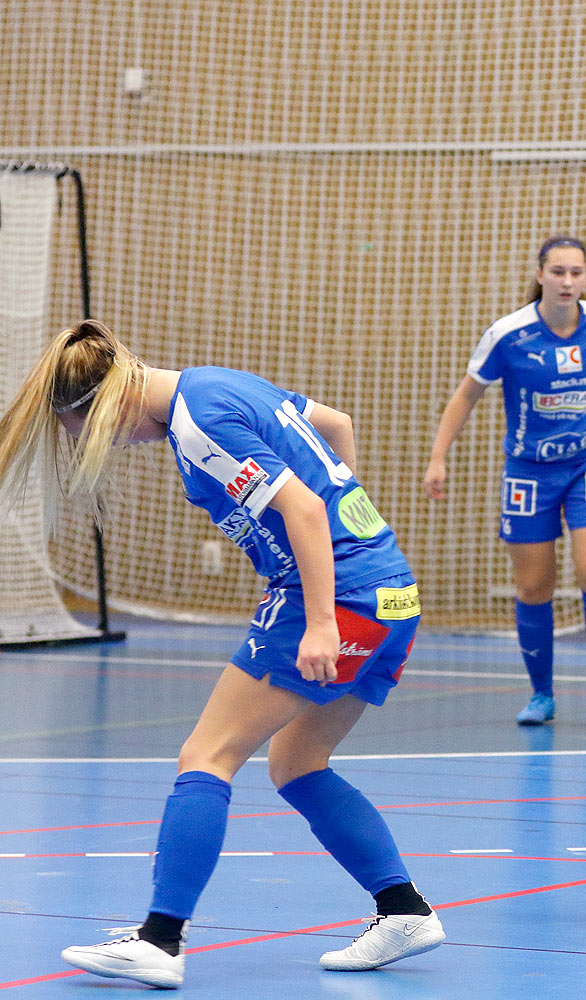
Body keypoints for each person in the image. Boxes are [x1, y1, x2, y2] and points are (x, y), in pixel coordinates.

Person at [0, 321, 443, 988]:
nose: (117, 445)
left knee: (206, 756)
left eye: (97, 434)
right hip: (390, 590)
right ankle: (403, 910)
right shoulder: (217, 383)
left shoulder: (198, 422)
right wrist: (353, 518)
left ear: (111, 403)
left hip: (336, 599)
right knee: (297, 764)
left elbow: (304, 511)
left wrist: (322, 619)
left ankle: (160, 939)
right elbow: (337, 424)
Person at [425, 235, 586, 727]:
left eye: (576, 272)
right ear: (540, 275)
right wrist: (438, 457)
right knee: (534, 585)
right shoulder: (508, 335)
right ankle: (542, 694)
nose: (567, 281)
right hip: (529, 471)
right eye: (557, 271)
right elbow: (466, 396)